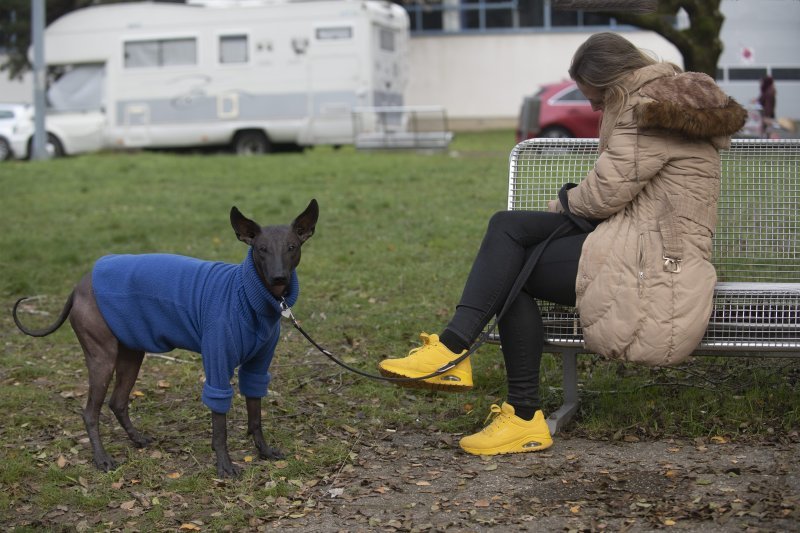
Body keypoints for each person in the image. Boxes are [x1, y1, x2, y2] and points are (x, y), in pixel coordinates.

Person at [378, 32, 747, 456]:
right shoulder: (662, 100)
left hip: (654, 265)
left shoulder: (650, 110)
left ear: (614, 81)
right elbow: (618, 192)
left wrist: (563, 201)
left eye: (595, 98)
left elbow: (607, 193)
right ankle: (463, 365)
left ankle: (493, 391)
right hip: (641, 244)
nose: (592, 107)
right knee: (507, 230)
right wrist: (568, 204)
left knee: (510, 263)